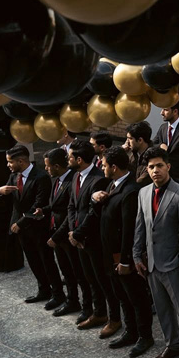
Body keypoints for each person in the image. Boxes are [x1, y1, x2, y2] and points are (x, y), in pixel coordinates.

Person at [133, 147, 179, 358]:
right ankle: (172, 344)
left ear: (168, 166)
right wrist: (136, 255)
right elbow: (140, 226)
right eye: (151, 167)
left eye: (159, 166)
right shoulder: (143, 193)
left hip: (174, 263)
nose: (155, 171)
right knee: (162, 308)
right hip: (152, 263)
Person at [92, 147, 153, 357]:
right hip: (110, 254)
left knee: (136, 297)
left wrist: (126, 261)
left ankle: (145, 336)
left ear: (114, 167)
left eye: (104, 165)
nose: (102, 168)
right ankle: (130, 331)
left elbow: (129, 230)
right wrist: (95, 199)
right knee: (122, 296)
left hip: (122, 256)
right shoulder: (112, 184)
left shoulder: (130, 191)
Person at [0, 145, 64, 306]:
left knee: (47, 261)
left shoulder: (41, 177)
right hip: (21, 230)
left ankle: (58, 294)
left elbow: (39, 204)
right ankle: (43, 290)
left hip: (38, 227)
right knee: (33, 261)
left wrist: (20, 223)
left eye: (10, 162)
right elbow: (5, 197)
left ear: (21, 161)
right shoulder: (13, 176)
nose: (8, 165)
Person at [67, 140, 119, 335]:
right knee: (90, 278)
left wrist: (78, 233)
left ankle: (114, 318)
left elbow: (94, 212)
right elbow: (72, 205)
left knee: (104, 280)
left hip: (94, 239)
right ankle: (99, 312)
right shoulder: (75, 176)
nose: (67, 160)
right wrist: (73, 231)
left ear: (79, 159)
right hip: (79, 238)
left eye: (70, 157)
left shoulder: (98, 179)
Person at [43, 148, 86, 319]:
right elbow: (55, 205)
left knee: (78, 273)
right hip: (56, 233)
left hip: (67, 235)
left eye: (48, 166)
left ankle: (86, 305)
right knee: (66, 271)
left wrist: (56, 236)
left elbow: (70, 213)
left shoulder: (71, 181)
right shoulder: (56, 180)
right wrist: (43, 210)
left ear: (57, 166)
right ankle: (71, 300)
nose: (46, 169)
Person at [124, 122, 153, 186]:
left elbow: (141, 181)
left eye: (130, 138)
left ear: (140, 140)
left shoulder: (153, 157)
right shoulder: (130, 152)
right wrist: (121, 152)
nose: (127, 142)